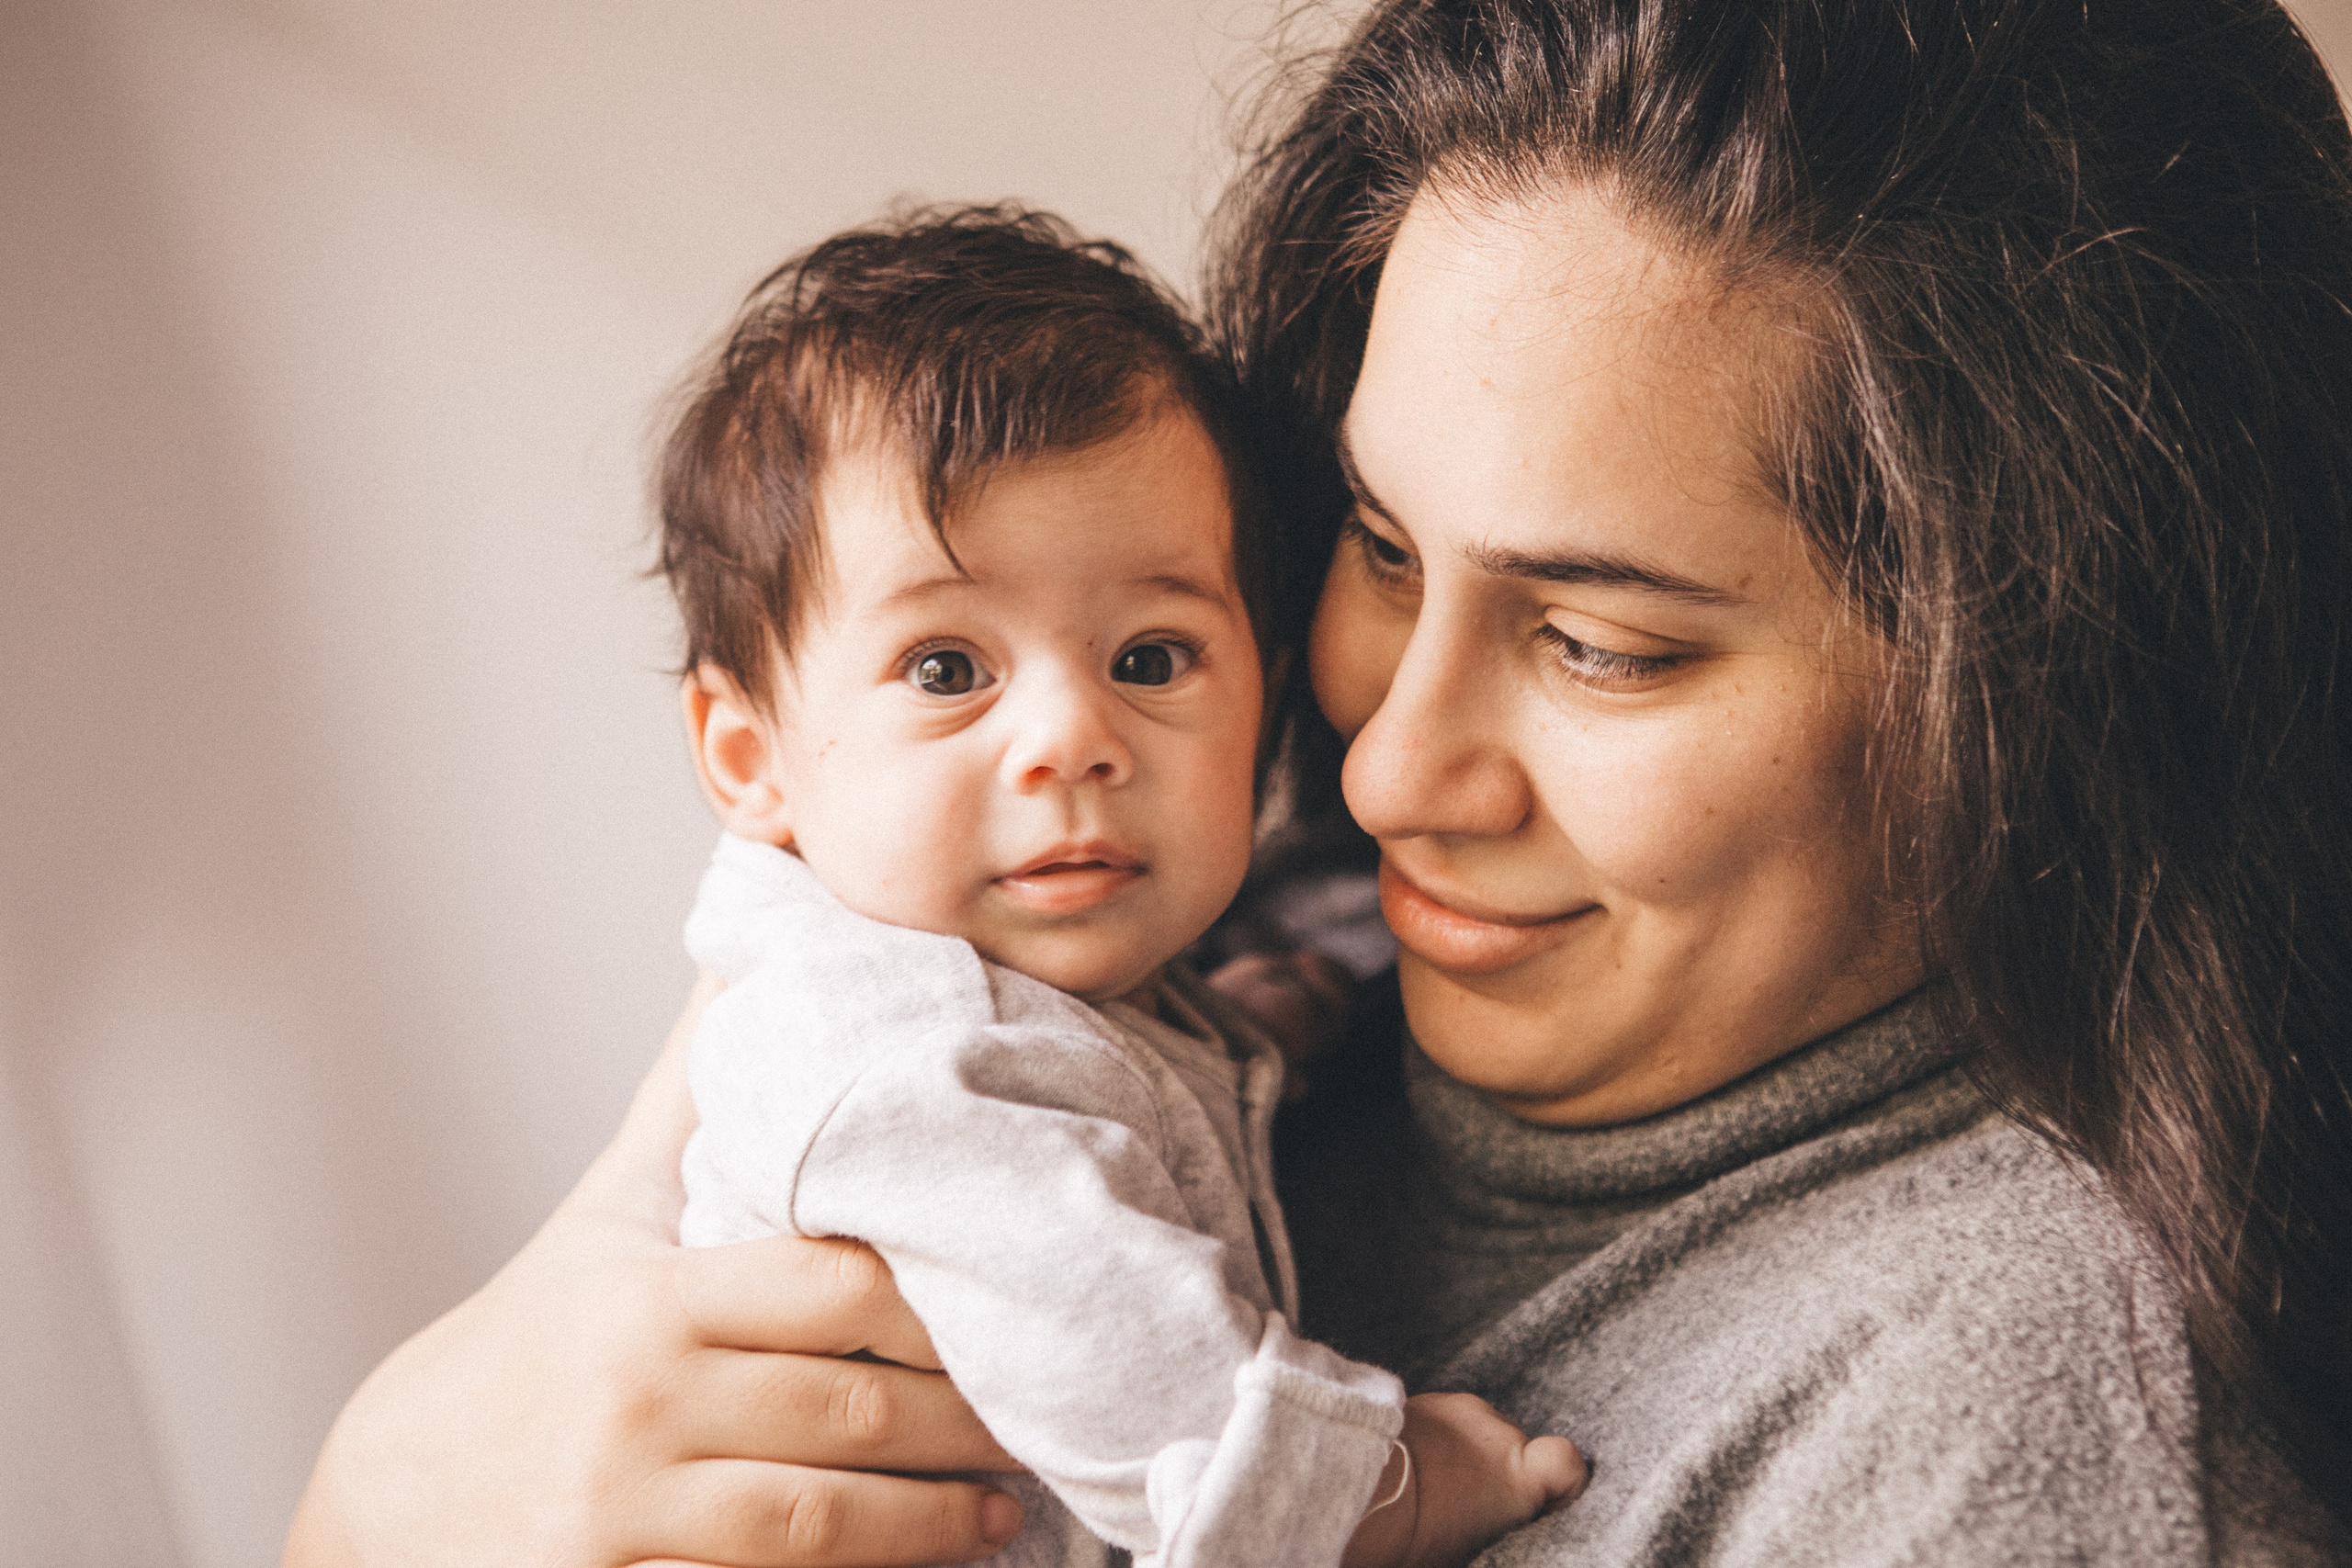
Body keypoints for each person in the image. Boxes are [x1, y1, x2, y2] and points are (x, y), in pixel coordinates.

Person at [284, 0, 2352, 1564]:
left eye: (1597, 641)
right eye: (1369, 546)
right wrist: (386, 1492)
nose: (1374, 756)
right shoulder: (1175, 963)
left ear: (2052, 692)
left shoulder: (1998, 1447)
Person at [657, 207, 1581, 1568]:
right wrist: (1391, 1485)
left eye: (1150, 658)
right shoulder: (893, 1056)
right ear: (752, 759)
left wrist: (1239, 1026)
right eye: (944, 668)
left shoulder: (1050, 989)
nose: (1070, 738)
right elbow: (1120, 1365)